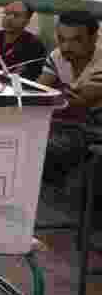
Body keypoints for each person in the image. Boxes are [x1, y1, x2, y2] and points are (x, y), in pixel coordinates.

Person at [37, 10, 102, 187]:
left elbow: (81, 101)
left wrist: (53, 95)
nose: (66, 47)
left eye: (76, 40)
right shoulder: (58, 56)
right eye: (62, 39)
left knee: (47, 147)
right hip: (81, 124)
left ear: (94, 37)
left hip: (95, 126)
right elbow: (39, 93)